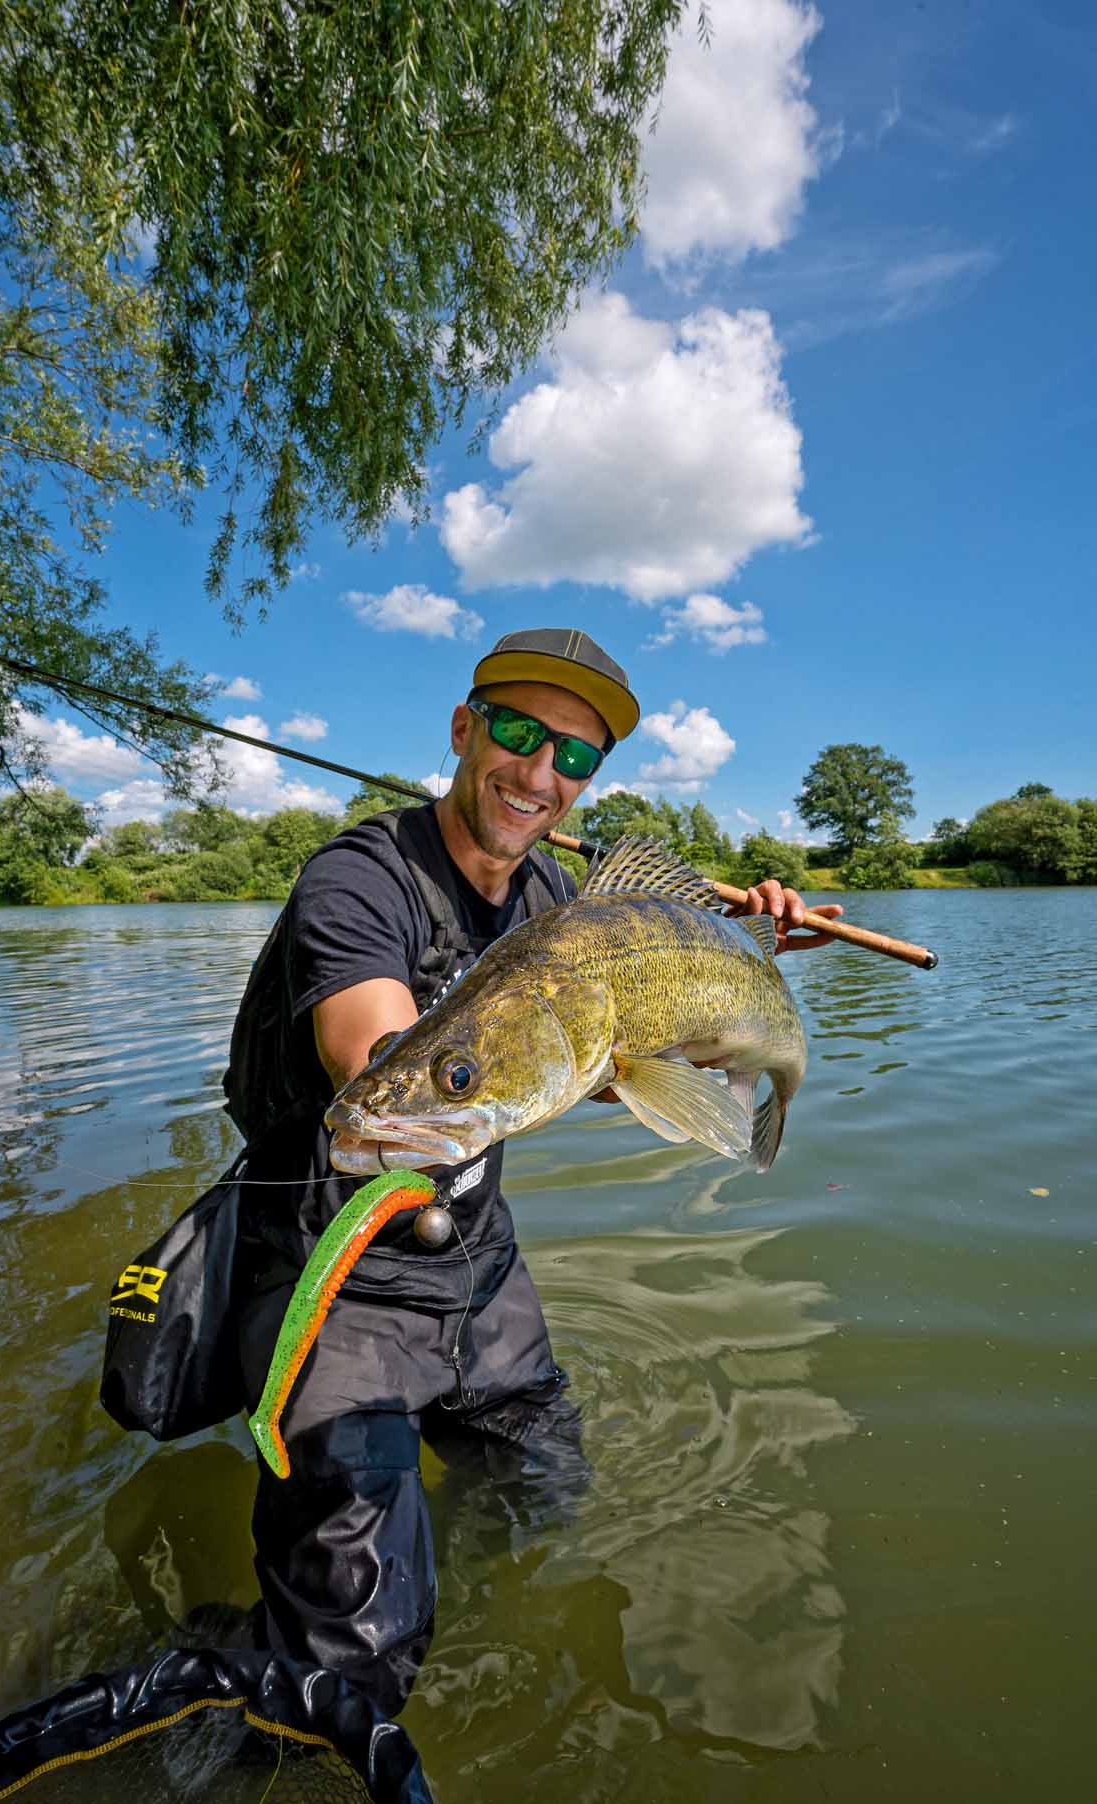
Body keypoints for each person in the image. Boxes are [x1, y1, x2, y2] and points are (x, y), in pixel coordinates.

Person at [227, 627, 842, 1715]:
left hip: (475, 1258)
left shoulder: (561, 901)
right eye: (518, 732)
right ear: (465, 730)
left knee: (548, 1506)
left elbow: (603, 1067)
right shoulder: (357, 879)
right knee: (351, 1650)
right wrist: (437, 1077)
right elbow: (371, 1055)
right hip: (333, 1264)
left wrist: (741, 963)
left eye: (577, 756)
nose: (541, 772)